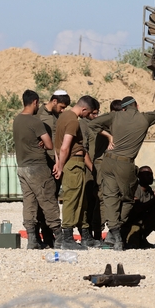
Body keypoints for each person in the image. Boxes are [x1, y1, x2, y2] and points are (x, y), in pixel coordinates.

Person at [89, 96, 155, 250]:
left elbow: (92, 124)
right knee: (127, 199)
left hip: (108, 162)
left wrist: (109, 136)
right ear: (136, 105)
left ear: (123, 108)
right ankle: (115, 232)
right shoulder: (144, 118)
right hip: (126, 164)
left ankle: (114, 233)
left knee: (110, 198)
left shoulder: (115, 116)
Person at [12, 90, 61, 250]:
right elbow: (49, 145)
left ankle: (32, 239)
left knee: (29, 202)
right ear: (34, 102)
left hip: (22, 167)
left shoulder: (17, 120)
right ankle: (59, 238)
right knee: (48, 200)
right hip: (37, 167)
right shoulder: (35, 122)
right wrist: (42, 140)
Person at [54, 95, 101, 250]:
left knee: (81, 201)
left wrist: (58, 162)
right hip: (73, 164)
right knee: (72, 200)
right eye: (88, 113)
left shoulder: (63, 117)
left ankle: (85, 235)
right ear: (84, 109)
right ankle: (67, 237)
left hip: (75, 163)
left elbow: (59, 144)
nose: (88, 116)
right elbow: (64, 147)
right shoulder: (73, 121)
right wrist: (60, 166)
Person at [81, 99, 123, 242]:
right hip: (100, 165)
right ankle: (96, 233)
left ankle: (99, 232)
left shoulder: (109, 124)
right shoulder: (105, 124)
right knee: (101, 199)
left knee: (103, 199)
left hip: (106, 164)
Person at [34, 89, 70, 248]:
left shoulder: (60, 117)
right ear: (54, 101)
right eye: (61, 107)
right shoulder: (39, 115)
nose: (63, 110)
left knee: (52, 199)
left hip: (57, 163)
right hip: (44, 163)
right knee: (41, 200)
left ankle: (49, 236)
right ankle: (39, 236)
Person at [122, 165, 155, 249]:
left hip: (142, 221)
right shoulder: (135, 189)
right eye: (147, 175)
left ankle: (142, 237)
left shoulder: (149, 190)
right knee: (133, 245)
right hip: (132, 223)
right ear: (139, 176)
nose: (151, 177)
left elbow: (151, 209)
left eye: (151, 174)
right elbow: (138, 209)